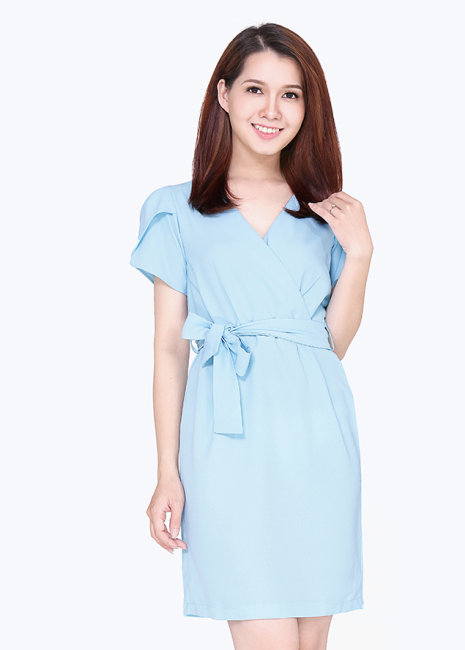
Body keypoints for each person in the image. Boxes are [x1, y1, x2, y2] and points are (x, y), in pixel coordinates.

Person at [129, 22, 374, 650]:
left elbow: (331, 345)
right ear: (224, 94)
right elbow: (168, 349)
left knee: (310, 642)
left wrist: (360, 256)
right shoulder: (174, 208)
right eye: (255, 90)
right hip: (225, 444)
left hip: (317, 440)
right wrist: (166, 472)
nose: (272, 110)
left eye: (290, 95)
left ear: (308, 108)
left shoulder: (326, 212)